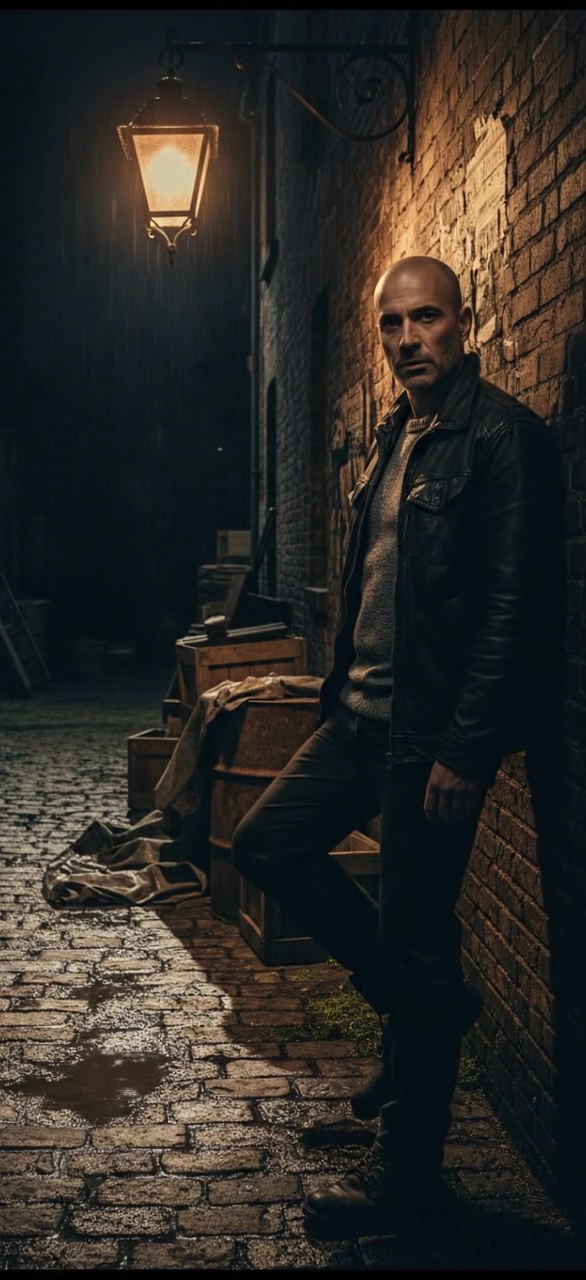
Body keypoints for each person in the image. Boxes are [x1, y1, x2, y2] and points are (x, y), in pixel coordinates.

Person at [231, 255, 563, 1235]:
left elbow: (513, 611)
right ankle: (421, 1011)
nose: (407, 338)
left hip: (428, 743)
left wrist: (467, 748)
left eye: (427, 319)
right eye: (392, 325)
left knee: (423, 938)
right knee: (266, 843)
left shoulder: (504, 438)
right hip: (357, 718)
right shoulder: (395, 440)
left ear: (467, 320)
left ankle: (408, 1184)